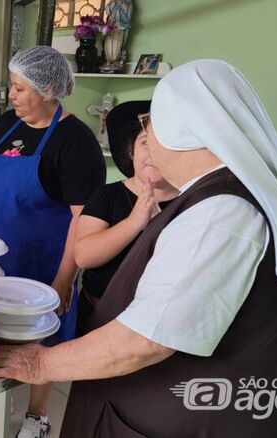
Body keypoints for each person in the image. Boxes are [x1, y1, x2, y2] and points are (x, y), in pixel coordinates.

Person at [0, 59, 277, 437]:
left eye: (150, 125)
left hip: (182, 420)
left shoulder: (222, 213)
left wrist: (40, 365)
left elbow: (144, 340)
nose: (147, 138)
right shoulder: (220, 195)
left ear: (182, 131)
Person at [0, 46, 106, 438]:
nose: (11, 95)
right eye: (12, 86)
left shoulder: (74, 141)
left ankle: (37, 414)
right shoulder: (7, 124)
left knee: (45, 336)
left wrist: (64, 277)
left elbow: (85, 218)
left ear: (47, 90)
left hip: (44, 261)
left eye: (19, 88)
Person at [73, 100, 179, 337]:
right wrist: (134, 222)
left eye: (163, 145)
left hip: (159, 328)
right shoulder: (107, 196)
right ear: (131, 151)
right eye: (145, 143)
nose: (153, 154)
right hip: (97, 316)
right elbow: (83, 256)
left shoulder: (192, 201)